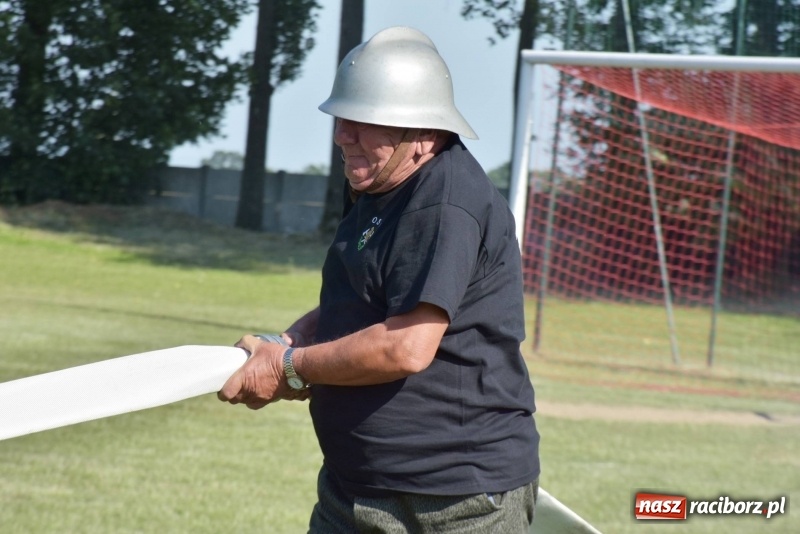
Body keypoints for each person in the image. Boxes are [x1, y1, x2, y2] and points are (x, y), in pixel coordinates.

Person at [218, 26, 540, 533]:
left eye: (364, 122)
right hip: (354, 488)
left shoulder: (444, 203)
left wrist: (291, 367)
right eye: (343, 118)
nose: (342, 135)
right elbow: (364, 302)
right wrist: (291, 340)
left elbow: (406, 345)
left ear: (423, 135)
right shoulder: (379, 183)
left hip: (450, 504)